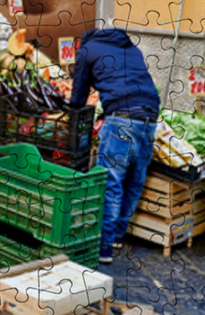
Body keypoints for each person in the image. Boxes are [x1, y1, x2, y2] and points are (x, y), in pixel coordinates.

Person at [69, 26, 161, 264]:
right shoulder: (132, 48)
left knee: (111, 181)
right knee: (134, 179)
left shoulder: (87, 50)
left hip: (121, 117)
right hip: (150, 117)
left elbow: (78, 97)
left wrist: (73, 109)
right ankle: (118, 236)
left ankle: (104, 247)